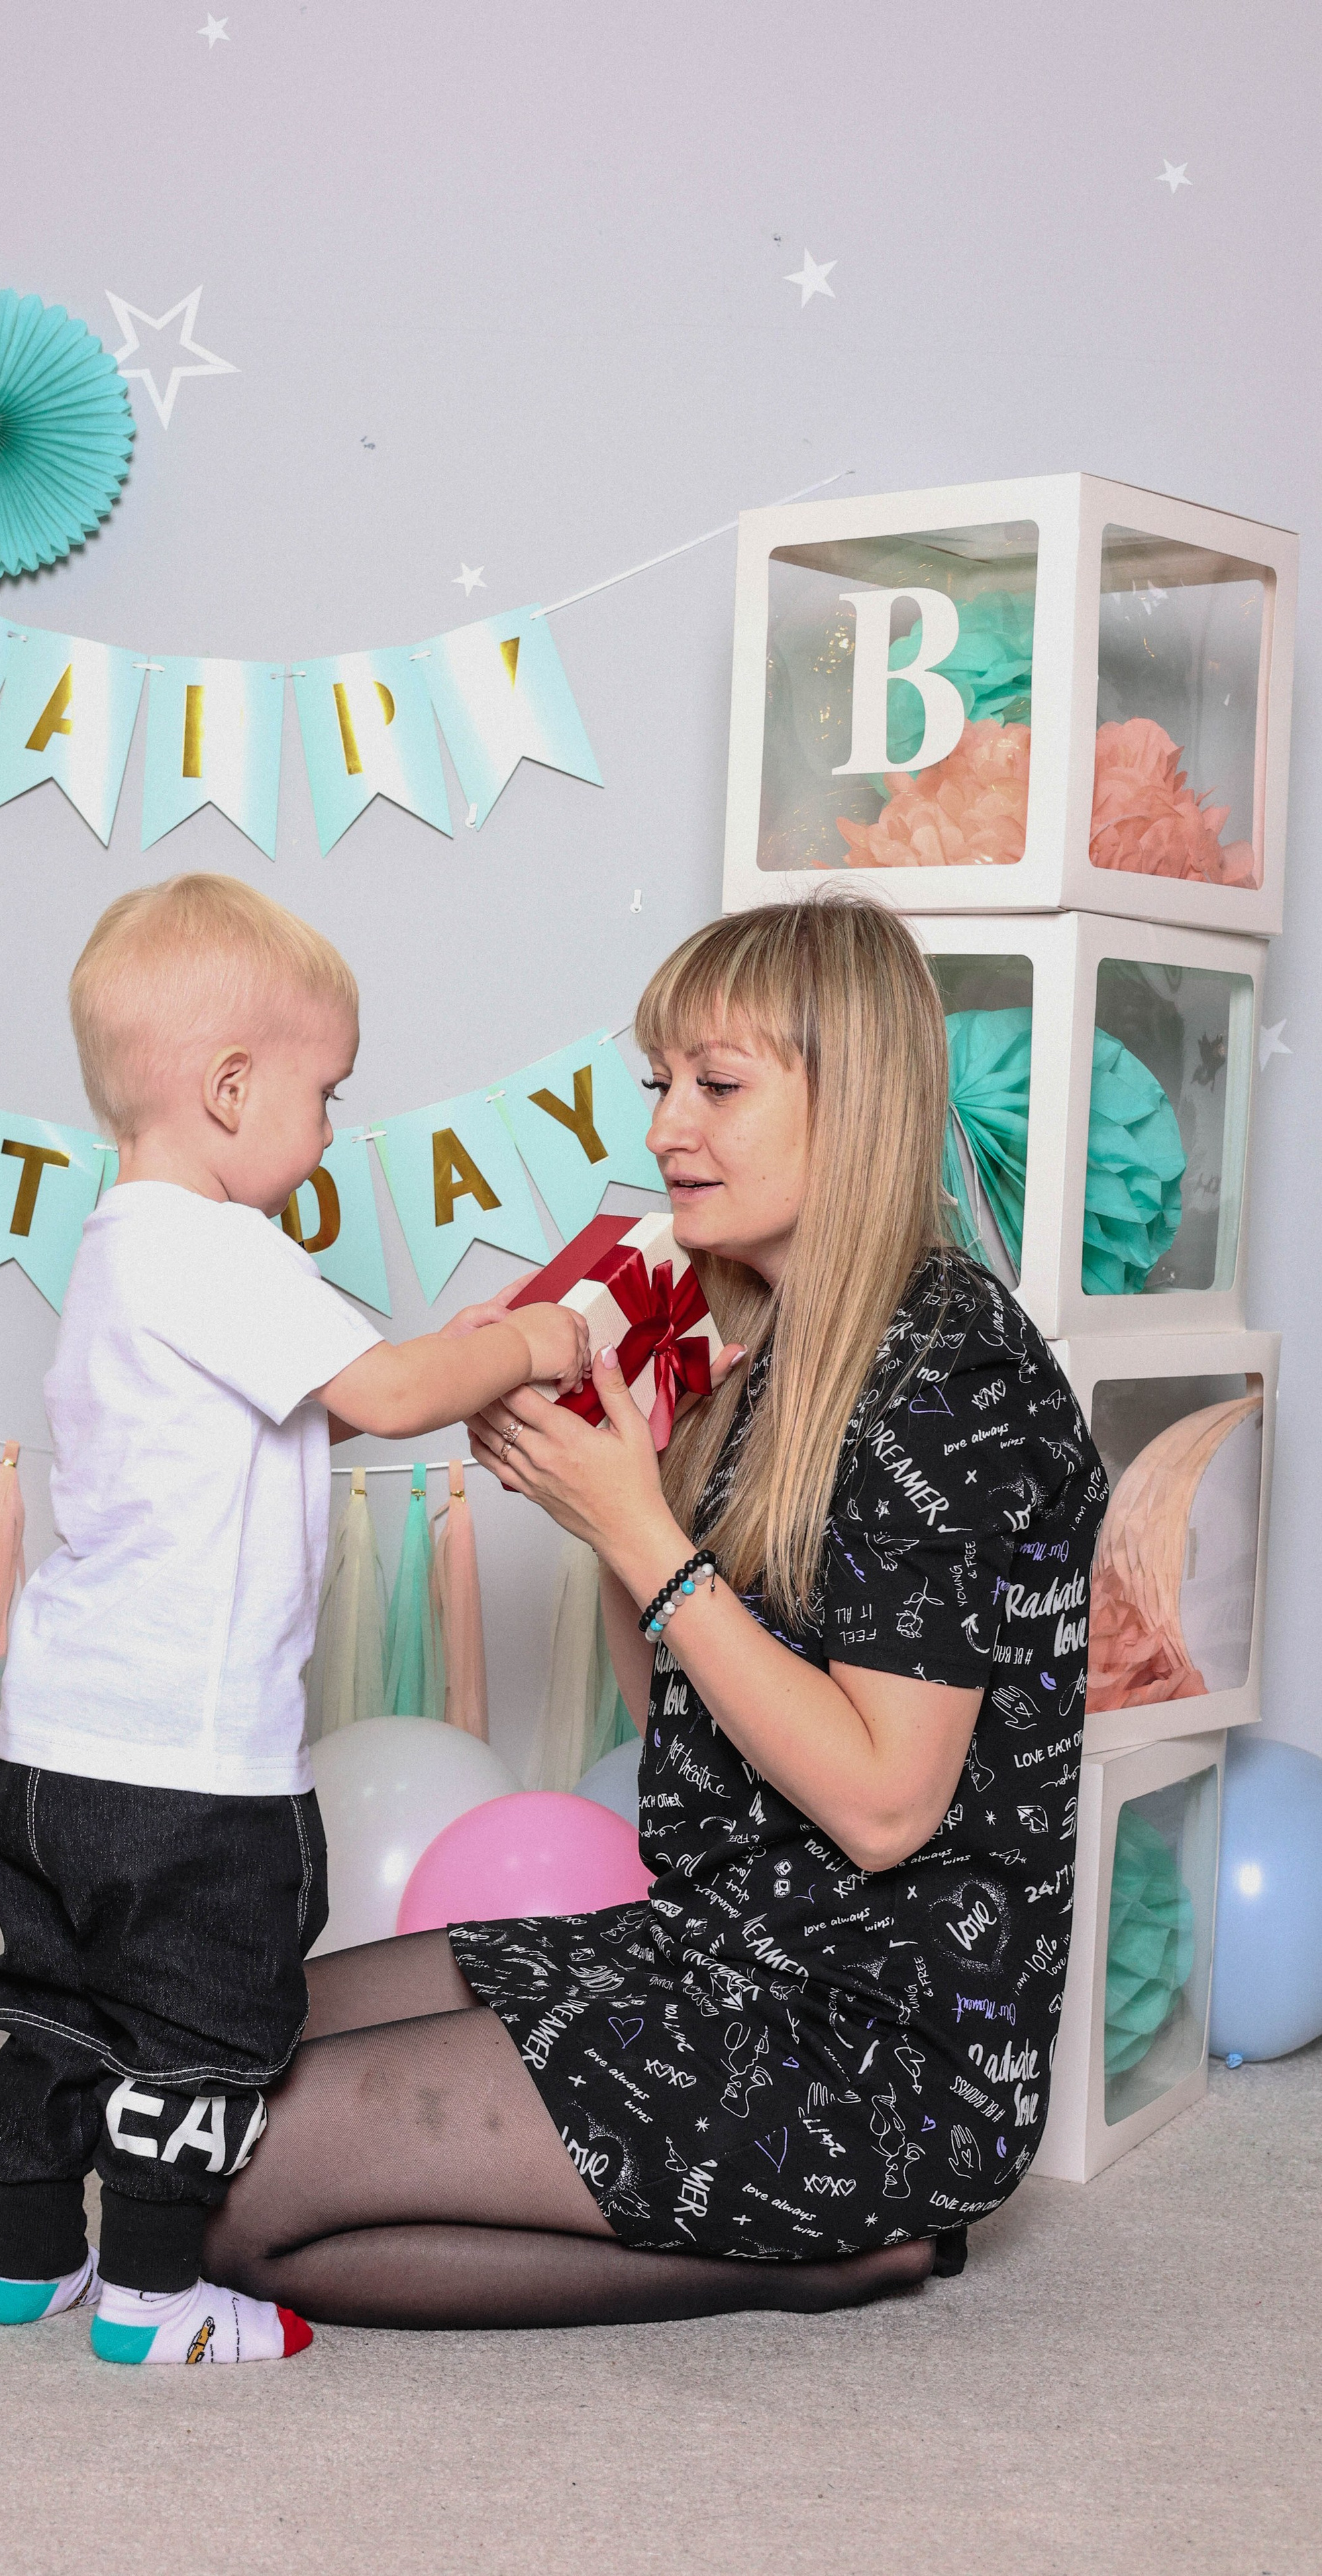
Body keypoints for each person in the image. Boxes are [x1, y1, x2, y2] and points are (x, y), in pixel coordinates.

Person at [198, 892, 1109, 2328]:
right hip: (710, 1948)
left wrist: (642, 1531)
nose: (667, 1127)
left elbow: (880, 1808)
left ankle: (834, 2252)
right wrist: (613, 1516)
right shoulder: (776, 1356)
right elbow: (684, 1732)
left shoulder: (953, 1377)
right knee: (202, 2076)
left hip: (869, 2053)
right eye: (660, 1083)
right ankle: (764, 2231)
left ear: (853, 1100)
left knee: (232, 2194)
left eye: (718, 1086)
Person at [0, 873, 589, 2367]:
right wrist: (528, 1340)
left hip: (53, 1753)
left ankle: (28, 2259)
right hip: (189, 1773)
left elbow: (324, 1408)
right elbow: (374, 1395)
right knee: (202, 2021)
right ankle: (155, 2299)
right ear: (231, 1089)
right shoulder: (221, 1251)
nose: (330, 1134)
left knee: (61, 2007)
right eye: (325, 1095)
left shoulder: (123, 1251)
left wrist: (428, 1358)